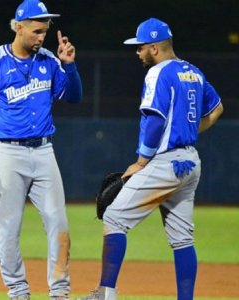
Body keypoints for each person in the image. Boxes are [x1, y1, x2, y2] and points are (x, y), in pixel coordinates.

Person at [80, 18, 223, 300]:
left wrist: (141, 162)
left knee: (114, 217)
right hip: (191, 162)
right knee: (183, 239)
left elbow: (155, 120)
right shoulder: (193, 72)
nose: (138, 52)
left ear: (155, 48)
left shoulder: (158, 73)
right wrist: (186, 132)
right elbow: (217, 109)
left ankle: (105, 293)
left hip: (164, 163)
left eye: (141, 46)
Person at [0, 0, 83, 299]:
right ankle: (18, 291)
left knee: (58, 223)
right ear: (18, 27)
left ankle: (59, 291)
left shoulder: (48, 60)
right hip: (7, 154)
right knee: (7, 227)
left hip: (44, 152)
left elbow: (73, 97)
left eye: (44, 31)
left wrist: (69, 65)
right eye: (36, 31)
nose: (41, 37)